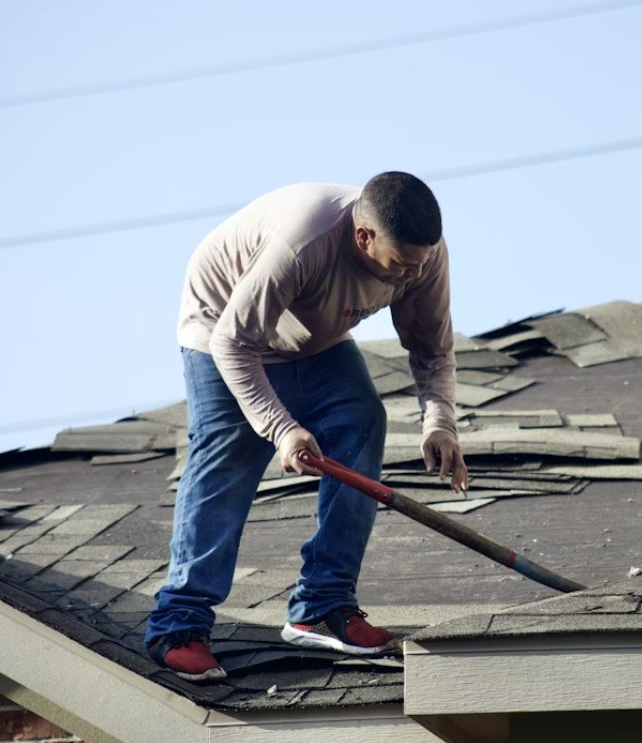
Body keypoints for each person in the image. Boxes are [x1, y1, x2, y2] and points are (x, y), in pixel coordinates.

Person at [145, 172, 469, 681]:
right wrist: (280, 427)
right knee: (228, 455)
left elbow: (432, 348)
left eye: (420, 263)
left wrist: (440, 423)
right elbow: (235, 343)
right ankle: (178, 625)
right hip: (222, 331)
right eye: (401, 265)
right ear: (364, 237)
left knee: (361, 420)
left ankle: (322, 605)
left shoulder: (422, 256)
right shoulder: (302, 243)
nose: (410, 276)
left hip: (313, 338)